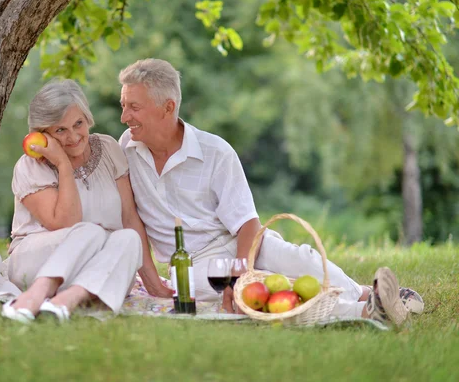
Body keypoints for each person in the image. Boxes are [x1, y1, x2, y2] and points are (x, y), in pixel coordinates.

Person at [117, 58, 423, 325]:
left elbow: (247, 224)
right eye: (124, 106)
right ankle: (366, 312)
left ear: (167, 108)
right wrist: (151, 278)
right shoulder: (126, 149)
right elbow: (132, 219)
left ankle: (371, 295)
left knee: (300, 260)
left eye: (134, 107)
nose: (124, 117)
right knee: (267, 293)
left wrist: (238, 276)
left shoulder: (215, 152)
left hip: (241, 243)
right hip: (194, 265)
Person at [1, 79, 170, 324]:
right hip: (36, 262)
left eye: (78, 123)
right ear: (41, 134)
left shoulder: (109, 149)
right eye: (60, 130)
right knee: (90, 231)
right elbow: (66, 223)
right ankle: (35, 296)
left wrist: (154, 284)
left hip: (96, 266)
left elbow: (129, 218)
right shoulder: (30, 167)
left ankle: (64, 303)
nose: (73, 137)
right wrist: (62, 164)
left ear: (87, 117)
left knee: (128, 237)